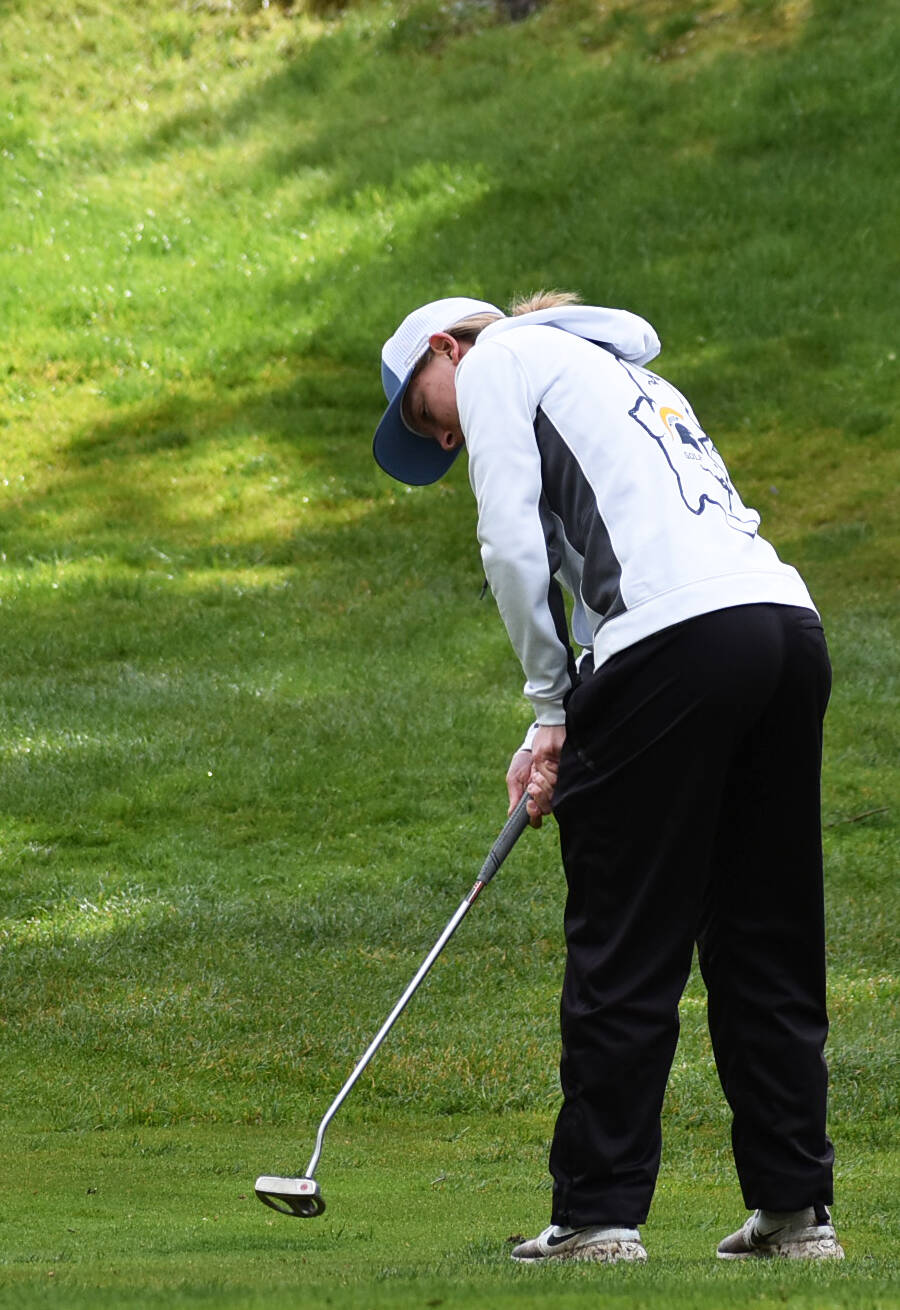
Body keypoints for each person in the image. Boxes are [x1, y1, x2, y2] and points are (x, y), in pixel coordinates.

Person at [372, 292, 842, 1262]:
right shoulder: (622, 371)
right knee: (764, 932)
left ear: (441, 345)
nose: (446, 435)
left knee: (621, 935)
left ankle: (595, 1214)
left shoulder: (500, 356)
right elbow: (600, 574)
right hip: (780, 627)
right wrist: (554, 721)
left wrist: (550, 707)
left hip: (678, 638)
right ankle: (795, 1213)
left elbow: (507, 543)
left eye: (427, 411)